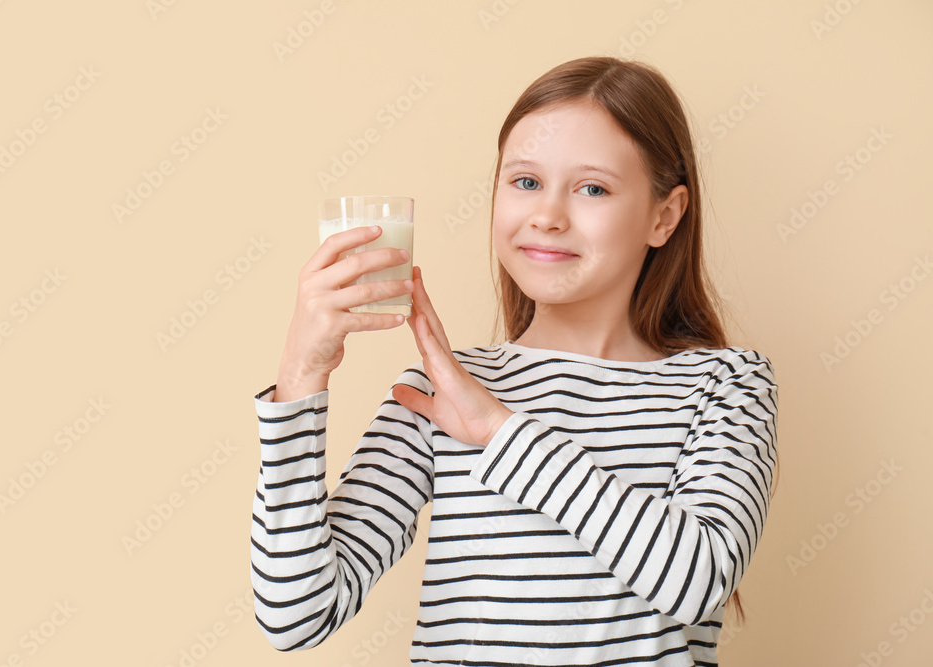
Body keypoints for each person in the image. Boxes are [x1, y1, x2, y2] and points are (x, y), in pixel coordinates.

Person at [250, 56, 779, 666]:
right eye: (525, 182)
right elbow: (296, 616)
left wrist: (499, 430)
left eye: (592, 188)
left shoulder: (727, 384)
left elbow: (695, 579)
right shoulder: (438, 390)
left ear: (664, 216)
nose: (547, 216)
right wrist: (300, 378)